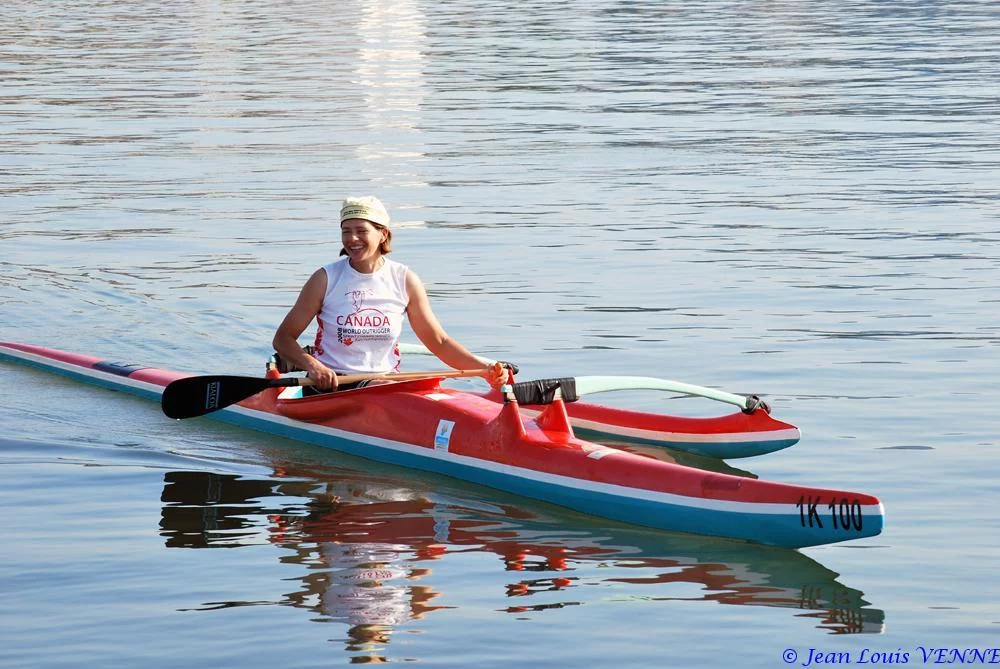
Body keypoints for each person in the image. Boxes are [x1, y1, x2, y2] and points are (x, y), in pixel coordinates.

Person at [272, 196, 509, 391]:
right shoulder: (325, 279)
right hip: (333, 385)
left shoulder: (405, 279)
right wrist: (313, 366)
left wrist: (485, 370)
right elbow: (283, 339)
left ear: (383, 234)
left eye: (361, 231)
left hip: (385, 383)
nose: (352, 239)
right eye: (346, 231)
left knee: (427, 391)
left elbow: (439, 342)